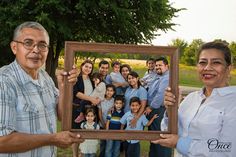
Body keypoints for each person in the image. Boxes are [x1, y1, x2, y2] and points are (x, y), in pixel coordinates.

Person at [0, 21, 82, 156]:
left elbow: (61, 115)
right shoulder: (4, 82)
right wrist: (52, 139)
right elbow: (2, 141)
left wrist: (63, 88)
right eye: (28, 43)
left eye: (42, 45)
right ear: (14, 47)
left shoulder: (44, 77)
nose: (36, 49)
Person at [152, 41, 236, 157]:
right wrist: (171, 110)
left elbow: (228, 150)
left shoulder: (233, 103)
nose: (207, 68)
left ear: (228, 68)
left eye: (216, 62)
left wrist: (179, 142)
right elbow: (170, 132)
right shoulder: (191, 98)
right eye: (202, 62)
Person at [145, 56, 172, 157]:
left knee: (160, 137)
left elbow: (160, 95)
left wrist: (150, 107)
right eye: (156, 65)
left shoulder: (166, 78)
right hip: (155, 109)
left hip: (159, 110)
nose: (157, 67)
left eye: (160, 65)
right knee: (154, 137)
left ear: (166, 66)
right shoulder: (158, 76)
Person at [98, 84, 116, 157]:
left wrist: (108, 124)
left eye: (111, 91)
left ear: (114, 92)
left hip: (111, 125)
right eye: (108, 90)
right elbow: (100, 112)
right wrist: (103, 123)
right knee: (102, 143)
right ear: (105, 91)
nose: (109, 92)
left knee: (109, 144)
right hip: (102, 124)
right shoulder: (101, 100)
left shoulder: (114, 101)